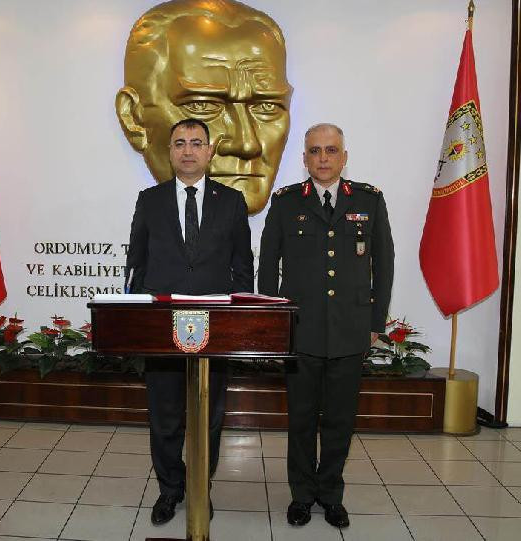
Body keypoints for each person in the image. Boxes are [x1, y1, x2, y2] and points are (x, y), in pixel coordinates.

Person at [258, 123, 394, 529]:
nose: (322, 158)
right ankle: (302, 495)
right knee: (300, 420)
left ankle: (331, 494)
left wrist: (375, 321)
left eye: (331, 150)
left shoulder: (369, 200)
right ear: (304, 158)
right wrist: (274, 320)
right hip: (301, 329)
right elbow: (268, 264)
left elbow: (384, 264)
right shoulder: (285, 202)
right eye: (315, 151)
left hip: (350, 329)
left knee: (340, 420)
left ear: (343, 157)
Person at [126, 118, 254, 526]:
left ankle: (200, 488)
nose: (188, 150)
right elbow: (136, 265)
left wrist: (239, 320)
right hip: (162, 329)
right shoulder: (150, 200)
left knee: (208, 418)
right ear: (169, 151)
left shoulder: (231, 202)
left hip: (214, 330)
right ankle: (170, 489)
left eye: (196, 143)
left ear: (210, 151)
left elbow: (243, 267)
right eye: (179, 143)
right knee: (164, 417)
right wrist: (139, 318)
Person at [116, 0, 292, 214]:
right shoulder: (149, 209)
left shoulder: (286, 218)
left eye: (266, 107)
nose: (247, 145)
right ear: (133, 118)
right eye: (202, 105)